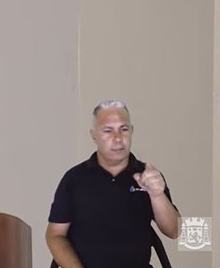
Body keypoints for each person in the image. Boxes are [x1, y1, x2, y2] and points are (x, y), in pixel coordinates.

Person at [46, 100, 179, 268]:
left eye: (124, 129)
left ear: (132, 131)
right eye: (108, 131)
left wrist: (157, 195)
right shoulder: (74, 179)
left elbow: (175, 231)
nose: (118, 138)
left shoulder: (149, 175)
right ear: (94, 135)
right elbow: (55, 235)